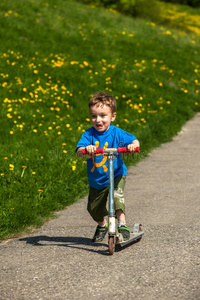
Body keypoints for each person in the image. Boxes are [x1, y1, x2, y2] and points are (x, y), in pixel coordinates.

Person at [76, 91, 140, 242]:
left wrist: (132, 146)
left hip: (116, 173)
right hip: (97, 180)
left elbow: (134, 140)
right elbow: (79, 150)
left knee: (116, 196)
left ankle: (122, 224)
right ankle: (102, 225)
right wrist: (86, 149)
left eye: (103, 115)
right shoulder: (88, 134)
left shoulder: (117, 133)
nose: (98, 120)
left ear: (113, 116)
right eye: (94, 116)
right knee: (93, 209)